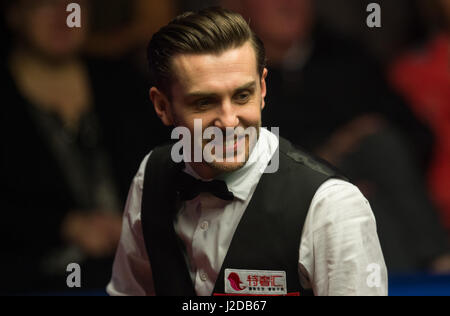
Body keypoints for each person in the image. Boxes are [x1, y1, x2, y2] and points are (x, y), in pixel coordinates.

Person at [107, 7, 387, 296]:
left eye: (242, 96)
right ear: (162, 106)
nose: (229, 121)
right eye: (204, 102)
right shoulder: (151, 176)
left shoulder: (330, 205)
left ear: (262, 89)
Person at [222, 0, 450, 273]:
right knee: (356, 207)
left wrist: (359, 154)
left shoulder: (348, 59)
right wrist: (331, 154)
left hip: (373, 190)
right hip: (280, 209)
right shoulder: (223, 79)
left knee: (377, 153)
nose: (288, 4)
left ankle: (436, 263)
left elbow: (417, 136)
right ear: (236, 6)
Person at [0, 0, 166, 294]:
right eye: (44, 4)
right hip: (36, 278)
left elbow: (170, 168)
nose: (64, 14)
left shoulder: (123, 83)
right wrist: (64, 225)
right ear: (16, 13)